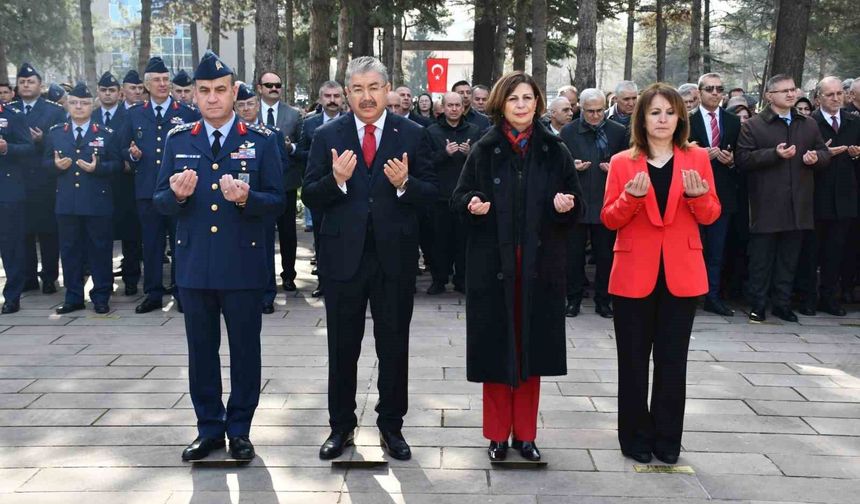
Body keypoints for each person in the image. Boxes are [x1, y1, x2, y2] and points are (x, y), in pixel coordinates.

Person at [302, 56, 438, 462]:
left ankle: (391, 426)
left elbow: (432, 195)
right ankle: (340, 427)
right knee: (343, 349)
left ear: (387, 89)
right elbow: (309, 194)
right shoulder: (328, 134)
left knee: (394, 346)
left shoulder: (413, 134)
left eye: (373, 87)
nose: (366, 96)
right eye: (357, 89)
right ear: (346, 94)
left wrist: (405, 184)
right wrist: (336, 180)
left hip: (394, 259)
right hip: (343, 261)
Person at [154, 51, 284, 462]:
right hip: (195, 267)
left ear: (235, 92)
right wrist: (176, 195)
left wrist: (248, 199)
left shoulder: (261, 140)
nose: (212, 98)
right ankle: (209, 428)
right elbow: (159, 201)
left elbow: (279, 201)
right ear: (194, 94)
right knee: (201, 352)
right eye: (205, 91)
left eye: (221, 90)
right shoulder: (180, 139)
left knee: (246, 352)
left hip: (243, 266)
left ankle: (240, 430)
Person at [452, 71, 582, 462]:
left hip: (539, 267)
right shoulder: (484, 147)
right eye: (513, 99)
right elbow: (458, 199)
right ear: (500, 104)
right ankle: (496, 435)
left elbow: (576, 202)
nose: (522, 105)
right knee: (496, 352)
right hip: (494, 267)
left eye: (527, 97)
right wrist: (472, 205)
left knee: (530, 352)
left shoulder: (553, 149)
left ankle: (525, 435)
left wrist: (566, 206)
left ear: (538, 103)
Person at [601, 83, 720, 465]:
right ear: (642, 118)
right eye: (655, 112)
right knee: (632, 362)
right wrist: (630, 199)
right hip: (634, 273)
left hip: (681, 274)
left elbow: (711, 214)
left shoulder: (697, 158)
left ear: (680, 117)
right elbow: (609, 219)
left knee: (673, 362)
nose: (663, 119)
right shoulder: (623, 162)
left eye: (669, 112)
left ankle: (668, 439)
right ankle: (634, 437)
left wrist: (698, 196)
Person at [735, 74, 830, 323]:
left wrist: (816, 158)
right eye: (784, 91)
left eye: (793, 90)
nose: (791, 94)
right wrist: (773, 154)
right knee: (761, 260)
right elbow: (743, 159)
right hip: (766, 205)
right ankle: (757, 305)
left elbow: (823, 152)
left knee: (789, 260)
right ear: (769, 96)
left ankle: (782, 304)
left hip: (798, 204)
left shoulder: (808, 124)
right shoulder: (753, 125)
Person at [120, 56, 201, 314]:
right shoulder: (134, 114)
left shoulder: (186, 112)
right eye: (157, 80)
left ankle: (181, 292)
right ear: (147, 84)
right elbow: (122, 146)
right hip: (147, 191)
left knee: (180, 243)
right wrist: (132, 154)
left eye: (166, 79)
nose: (163, 84)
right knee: (151, 245)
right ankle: (153, 293)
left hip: (178, 190)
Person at [43, 82, 121, 314]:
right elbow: (44, 163)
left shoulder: (106, 133)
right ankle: (74, 296)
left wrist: (98, 168)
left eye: (84, 103)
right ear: (67, 104)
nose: (79, 107)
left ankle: (101, 295)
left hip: (97, 202)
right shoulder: (56, 132)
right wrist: (55, 165)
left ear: (92, 105)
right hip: (67, 203)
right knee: (69, 250)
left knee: (100, 250)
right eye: (74, 103)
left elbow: (117, 164)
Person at [795, 77, 860, 316]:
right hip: (815, 194)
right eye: (830, 94)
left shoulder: (854, 122)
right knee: (811, 252)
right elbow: (800, 157)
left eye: (839, 94)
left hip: (844, 196)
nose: (835, 98)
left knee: (836, 251)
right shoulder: (809, 122)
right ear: (819, 98)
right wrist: (822, 155)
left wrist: (855, 155)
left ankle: (830, 297)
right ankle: (807, 298)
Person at [560, 88, 628, 319]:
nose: (596, 116)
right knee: (573, 256)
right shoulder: (568, 132)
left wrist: (615, 170)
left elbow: (629, 163)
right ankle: (573, 299)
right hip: (577, 202)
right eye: (590, 111)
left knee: (605, 256)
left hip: (606, 202)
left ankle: (603, 301)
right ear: (581, 108)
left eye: (600, 111)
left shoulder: (618, 132)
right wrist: (572, 166)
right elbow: (556, 166)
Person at [234, 83, 293, 314]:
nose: (246, 109)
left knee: (264, 250)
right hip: (236, 201)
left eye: (250, 104)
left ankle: (267, 295)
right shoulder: (231, 134)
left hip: (262, 200)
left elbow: (282, 165)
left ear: (258, 105)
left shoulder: (272, 134)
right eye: (241, 105)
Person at [9, 62, 66, 295]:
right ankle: (28, 277)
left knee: (48, 232)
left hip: (45, 180)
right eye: (22, 82)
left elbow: (62, 142)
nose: (26, 85)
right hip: (18, 179)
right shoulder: (9, 109)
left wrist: (43, 140)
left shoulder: (53, 110)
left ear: (40, 85)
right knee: (23, 231)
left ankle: (50, 276)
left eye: (30, 81)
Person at [688, 73, 741, 316]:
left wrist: (731, 161)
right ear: (699, 92)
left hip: (723, 195)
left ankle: (712, 295)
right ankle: (688, 294)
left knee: (717, 251)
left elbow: (742, 155)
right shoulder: (686, 120)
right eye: (710, 88)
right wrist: (698, 156)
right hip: (693, 193)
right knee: (693, 248)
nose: (716, 93)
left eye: (720, 88)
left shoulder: (732, 121)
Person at [425, 91, 481, 295]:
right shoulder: (431, 131)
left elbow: (482, 163)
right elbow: (425, 162)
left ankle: (462, 280)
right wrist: (444, 154)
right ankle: (439, 280)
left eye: (458, 105)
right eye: (450, 105)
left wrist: (469, 154)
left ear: (463, 107)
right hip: (440, 196)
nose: (454, 109)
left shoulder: (474, 131)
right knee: (439, 241)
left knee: (464, 241)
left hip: (466, 196)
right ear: (443, 107)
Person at [92, 71, 141, 296]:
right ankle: (103, 282)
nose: (108, 94)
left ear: (119, 93)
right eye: (104, 90)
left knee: (130, 236)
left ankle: (131, 281)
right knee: (101, 238)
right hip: (97, 184)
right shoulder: (90, 116)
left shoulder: (130, 115)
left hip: (125, 183)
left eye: (112, 90)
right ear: (98, 92)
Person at [256, 72, 305, 293]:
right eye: (269, 85)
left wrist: (290, 147)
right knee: (261, 234)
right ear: (260, 88)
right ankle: (263, 278)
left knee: (287, 233)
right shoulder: (249, 111)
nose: (274, 88)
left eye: (278, 85)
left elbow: (302, 148)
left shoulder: (294, 115)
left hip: (285, 183)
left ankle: (288, 275)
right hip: (256, 186)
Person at [298, 81, 346, 299]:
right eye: (328, 96)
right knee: (321, 240)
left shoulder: (351, 123)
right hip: (319, 188)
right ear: (320, 99)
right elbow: (301, 153)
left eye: (337, 95)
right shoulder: (310, 125)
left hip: (346, 191)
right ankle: (324, 283)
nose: (332, 100)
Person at [0, 94, 35, 314]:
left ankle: (12, 296)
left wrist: (6, 148)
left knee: (11, 245)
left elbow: (28, 148)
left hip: (7, 191)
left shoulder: (13, 116)